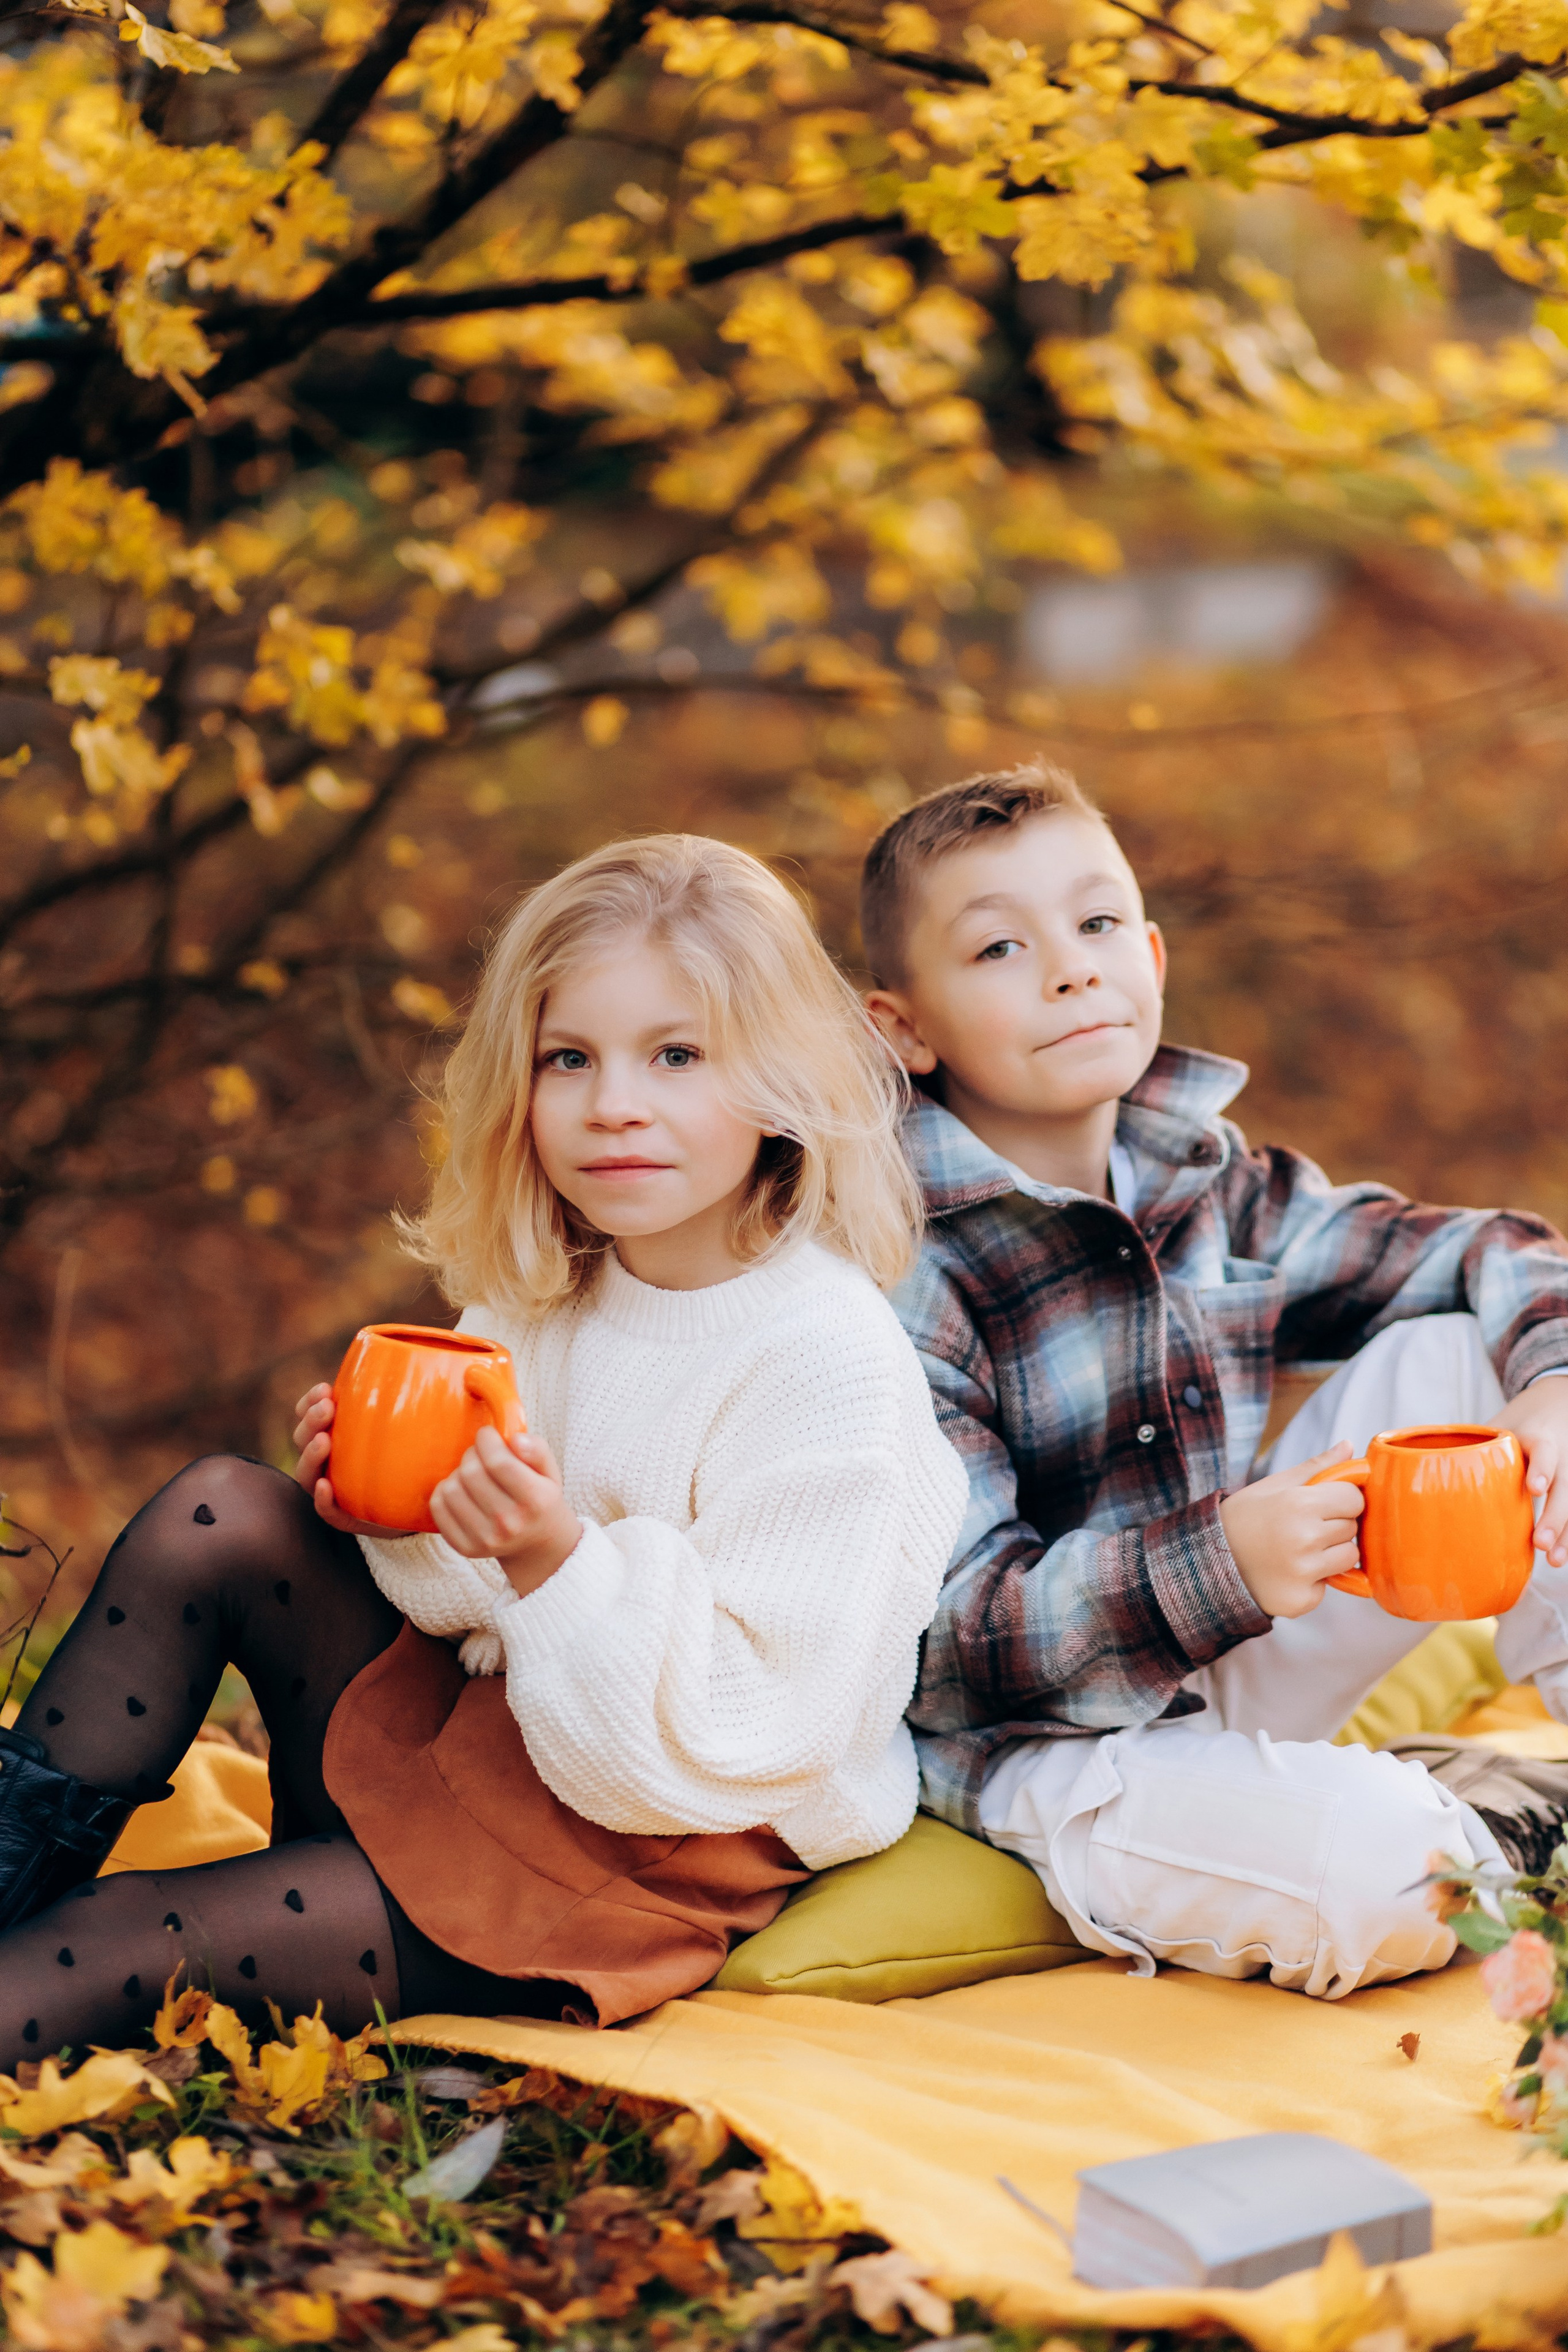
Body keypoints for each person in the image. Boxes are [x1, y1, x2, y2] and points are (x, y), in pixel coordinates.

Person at [0, 835, 965, 2066]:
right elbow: (469, 1608)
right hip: (480, 1735)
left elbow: (735, 1746)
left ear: (778, 1079)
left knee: (123, 1935)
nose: (614, 1103)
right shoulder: (547, 1289)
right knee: (223, 1514)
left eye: (676, 1055)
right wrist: (392, 1514)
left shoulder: (826, 1362)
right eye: (570, 1058)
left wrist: (551, 1561)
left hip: (632, 1853)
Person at [861, 763, 1568, 2000]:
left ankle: (1466, 1799)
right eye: (996, 950)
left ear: (1147, 952)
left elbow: (1475, 1250)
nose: (1069, 969)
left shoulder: (1207, 1182)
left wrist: (1554, 1376)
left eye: (1091, 927)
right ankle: (1475, 1819)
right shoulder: (897, 1268)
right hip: (1047, 1757)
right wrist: (1219, 1564)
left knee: (1479, 1361)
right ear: (904, 1025)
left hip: (1228, 1666)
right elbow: (942, 1645)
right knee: (1386, 1877)